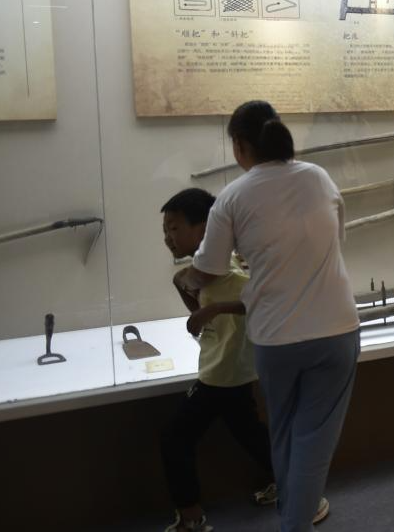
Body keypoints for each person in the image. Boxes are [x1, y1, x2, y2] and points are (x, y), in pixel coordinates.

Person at [174, 101, 360, 532]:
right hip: (335, 330)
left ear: (240, 145)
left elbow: (207, 270)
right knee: (313, 439)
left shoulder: (232, 197)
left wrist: (188, 276)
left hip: (277, 338)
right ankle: (295, 519)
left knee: (286, 434)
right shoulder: (319, 177)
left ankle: (292, 521)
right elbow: (334, 241)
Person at [160, 188, 275, 532]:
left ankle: (192, 518)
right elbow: (200, 309)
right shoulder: (204, 272)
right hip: (229, 368)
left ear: (204, 228)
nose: (168, 238)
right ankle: (293, 483)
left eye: (174, 228)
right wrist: (189, 293)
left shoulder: (228, 272)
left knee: (175, 438)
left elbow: (259, 300)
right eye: (165, 230)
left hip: (222, 374)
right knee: (249, 433)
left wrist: (212, 309)